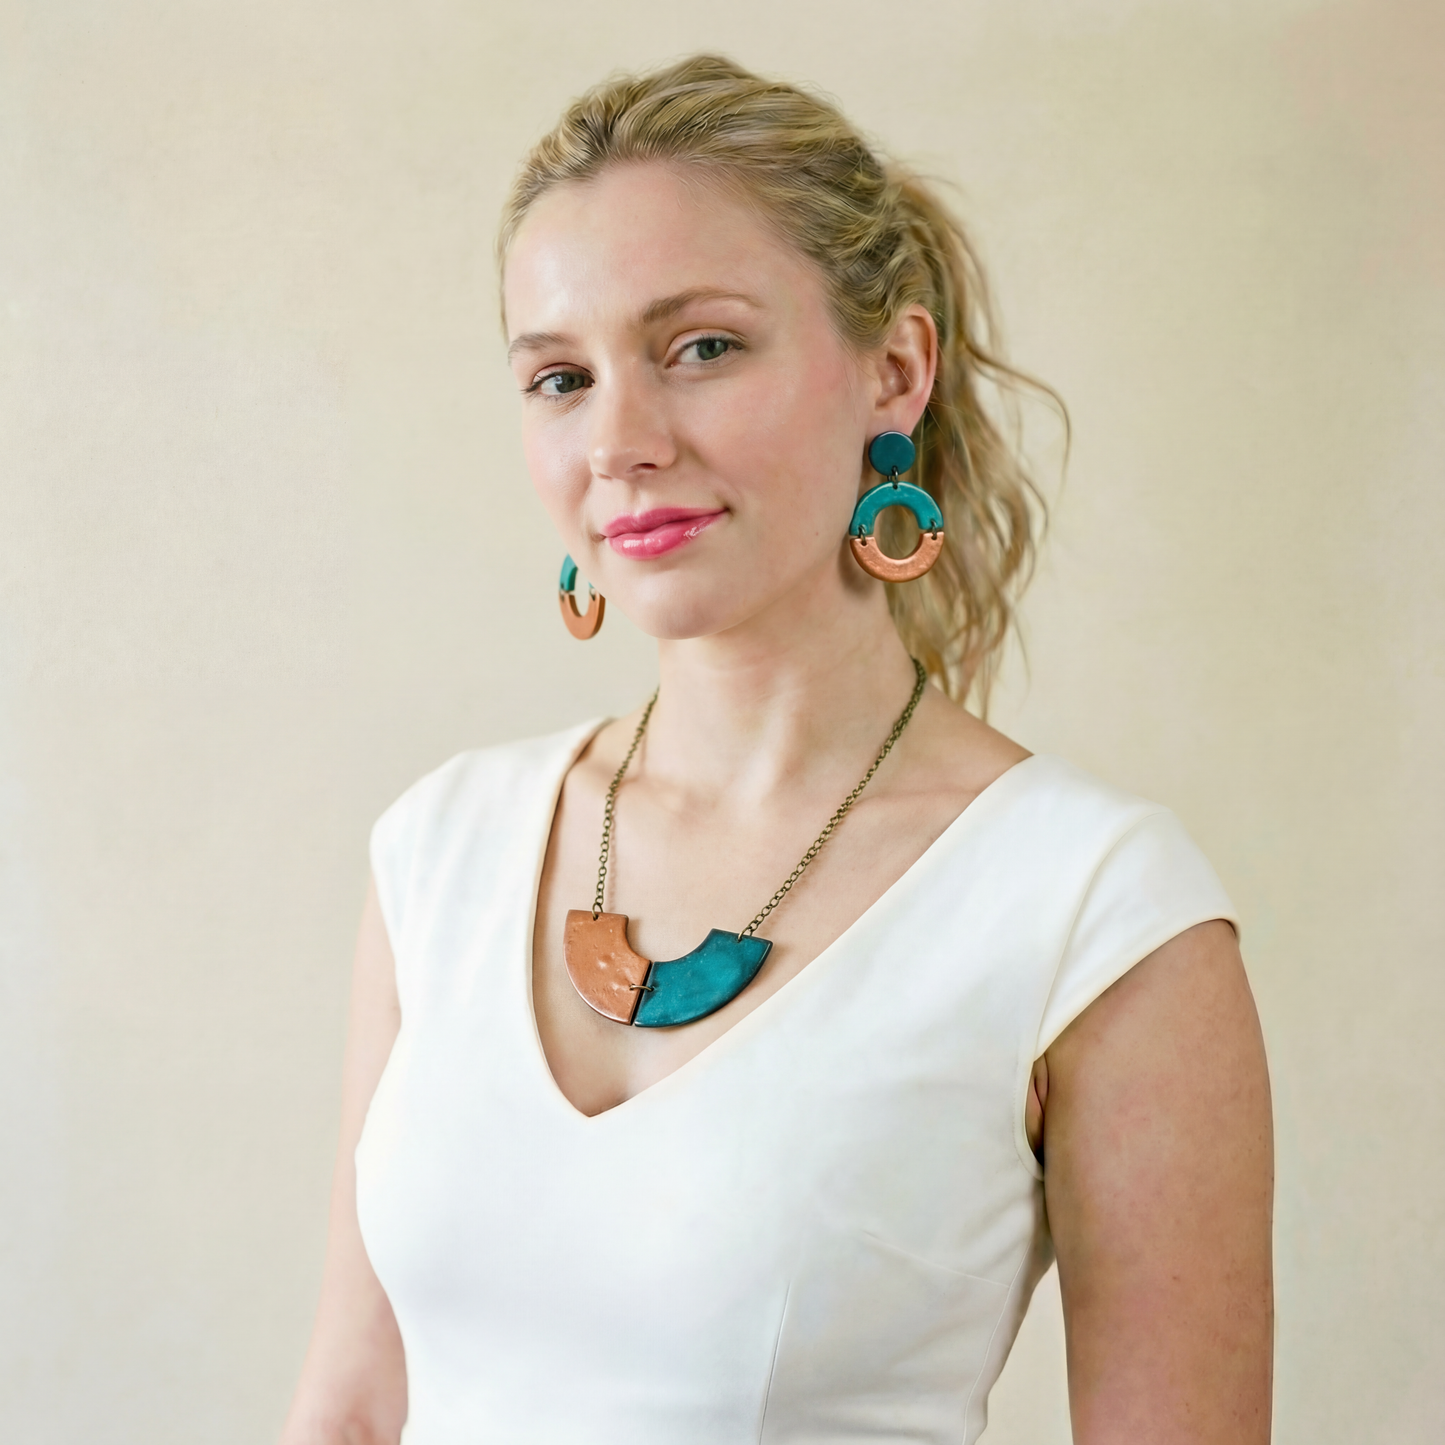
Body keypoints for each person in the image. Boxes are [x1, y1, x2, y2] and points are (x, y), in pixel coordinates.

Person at [280, 55, 1273, 1445]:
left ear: (895, 368)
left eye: (701, 348)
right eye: (560, 378)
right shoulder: (440, 847)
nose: (618, 443)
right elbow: (350, 1406)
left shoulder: (1096, 909)